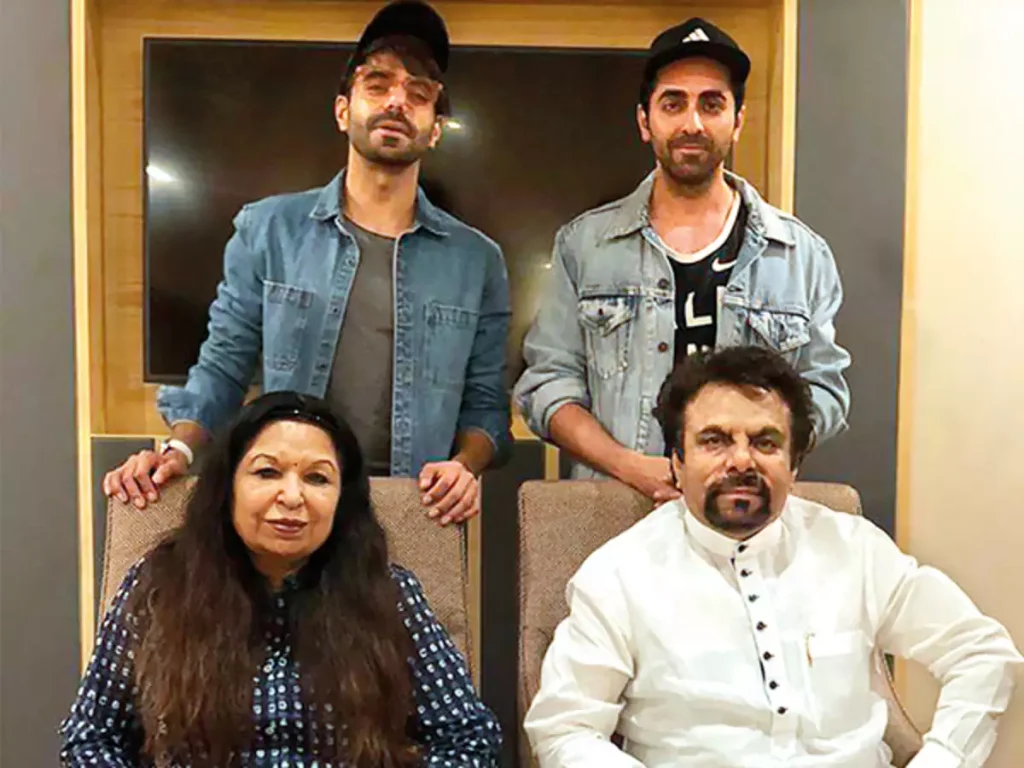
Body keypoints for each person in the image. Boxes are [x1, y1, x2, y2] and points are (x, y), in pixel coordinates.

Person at [104, 0, 511, 527]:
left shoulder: (477, 260)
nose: (396, 103)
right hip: (289, 502)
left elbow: (485, 407)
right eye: (377, 84)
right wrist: (177, 452)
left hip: (414, 509)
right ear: (343, 110)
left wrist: (463, 468)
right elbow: (224, 366)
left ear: (435, 129)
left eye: (418, 95)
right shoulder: (268, 230)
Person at [523, 346, 1022, 767]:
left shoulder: (855, 549)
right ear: (677, 460)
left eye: (765, 442)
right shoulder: (619, 574)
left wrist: (941, 761)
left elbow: (981, 654)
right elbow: (566, 729)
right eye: (714, 441)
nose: (740, 460)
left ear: (794, 461)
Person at [62, 391, 501, 766]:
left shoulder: (390, 594)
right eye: (267, 472)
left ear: (340, 499)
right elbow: (89, 737)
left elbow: (468, 737)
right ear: (227, 486)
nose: (292, 497)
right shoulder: (161, 586)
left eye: (317, 478)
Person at [514, 17, 850, 504]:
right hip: (615, 516)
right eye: (674, 103)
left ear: (737, 122)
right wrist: (629, 467)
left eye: (712, 104)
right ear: (644, 122)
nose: (692, 122)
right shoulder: (584, 246)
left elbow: (826, 393)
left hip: (748, 520)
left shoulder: (801, 256)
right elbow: (547, 386)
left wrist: (751, 460)